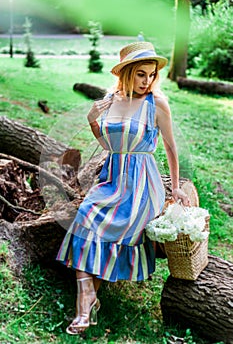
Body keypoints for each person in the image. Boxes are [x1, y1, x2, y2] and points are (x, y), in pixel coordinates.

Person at [56, 41, 190, 335]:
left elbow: (170, 147)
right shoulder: (111, 99)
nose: (147, 81)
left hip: (142, 183)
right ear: (127, 73)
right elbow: (108, 144)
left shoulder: (157, 104)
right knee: (85, 221)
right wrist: (93, 119)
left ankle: (83, 307)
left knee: (111, 229)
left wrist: (176, 187)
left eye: (151, 75)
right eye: (141, 74)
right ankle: (89, 298)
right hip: (112, 177)